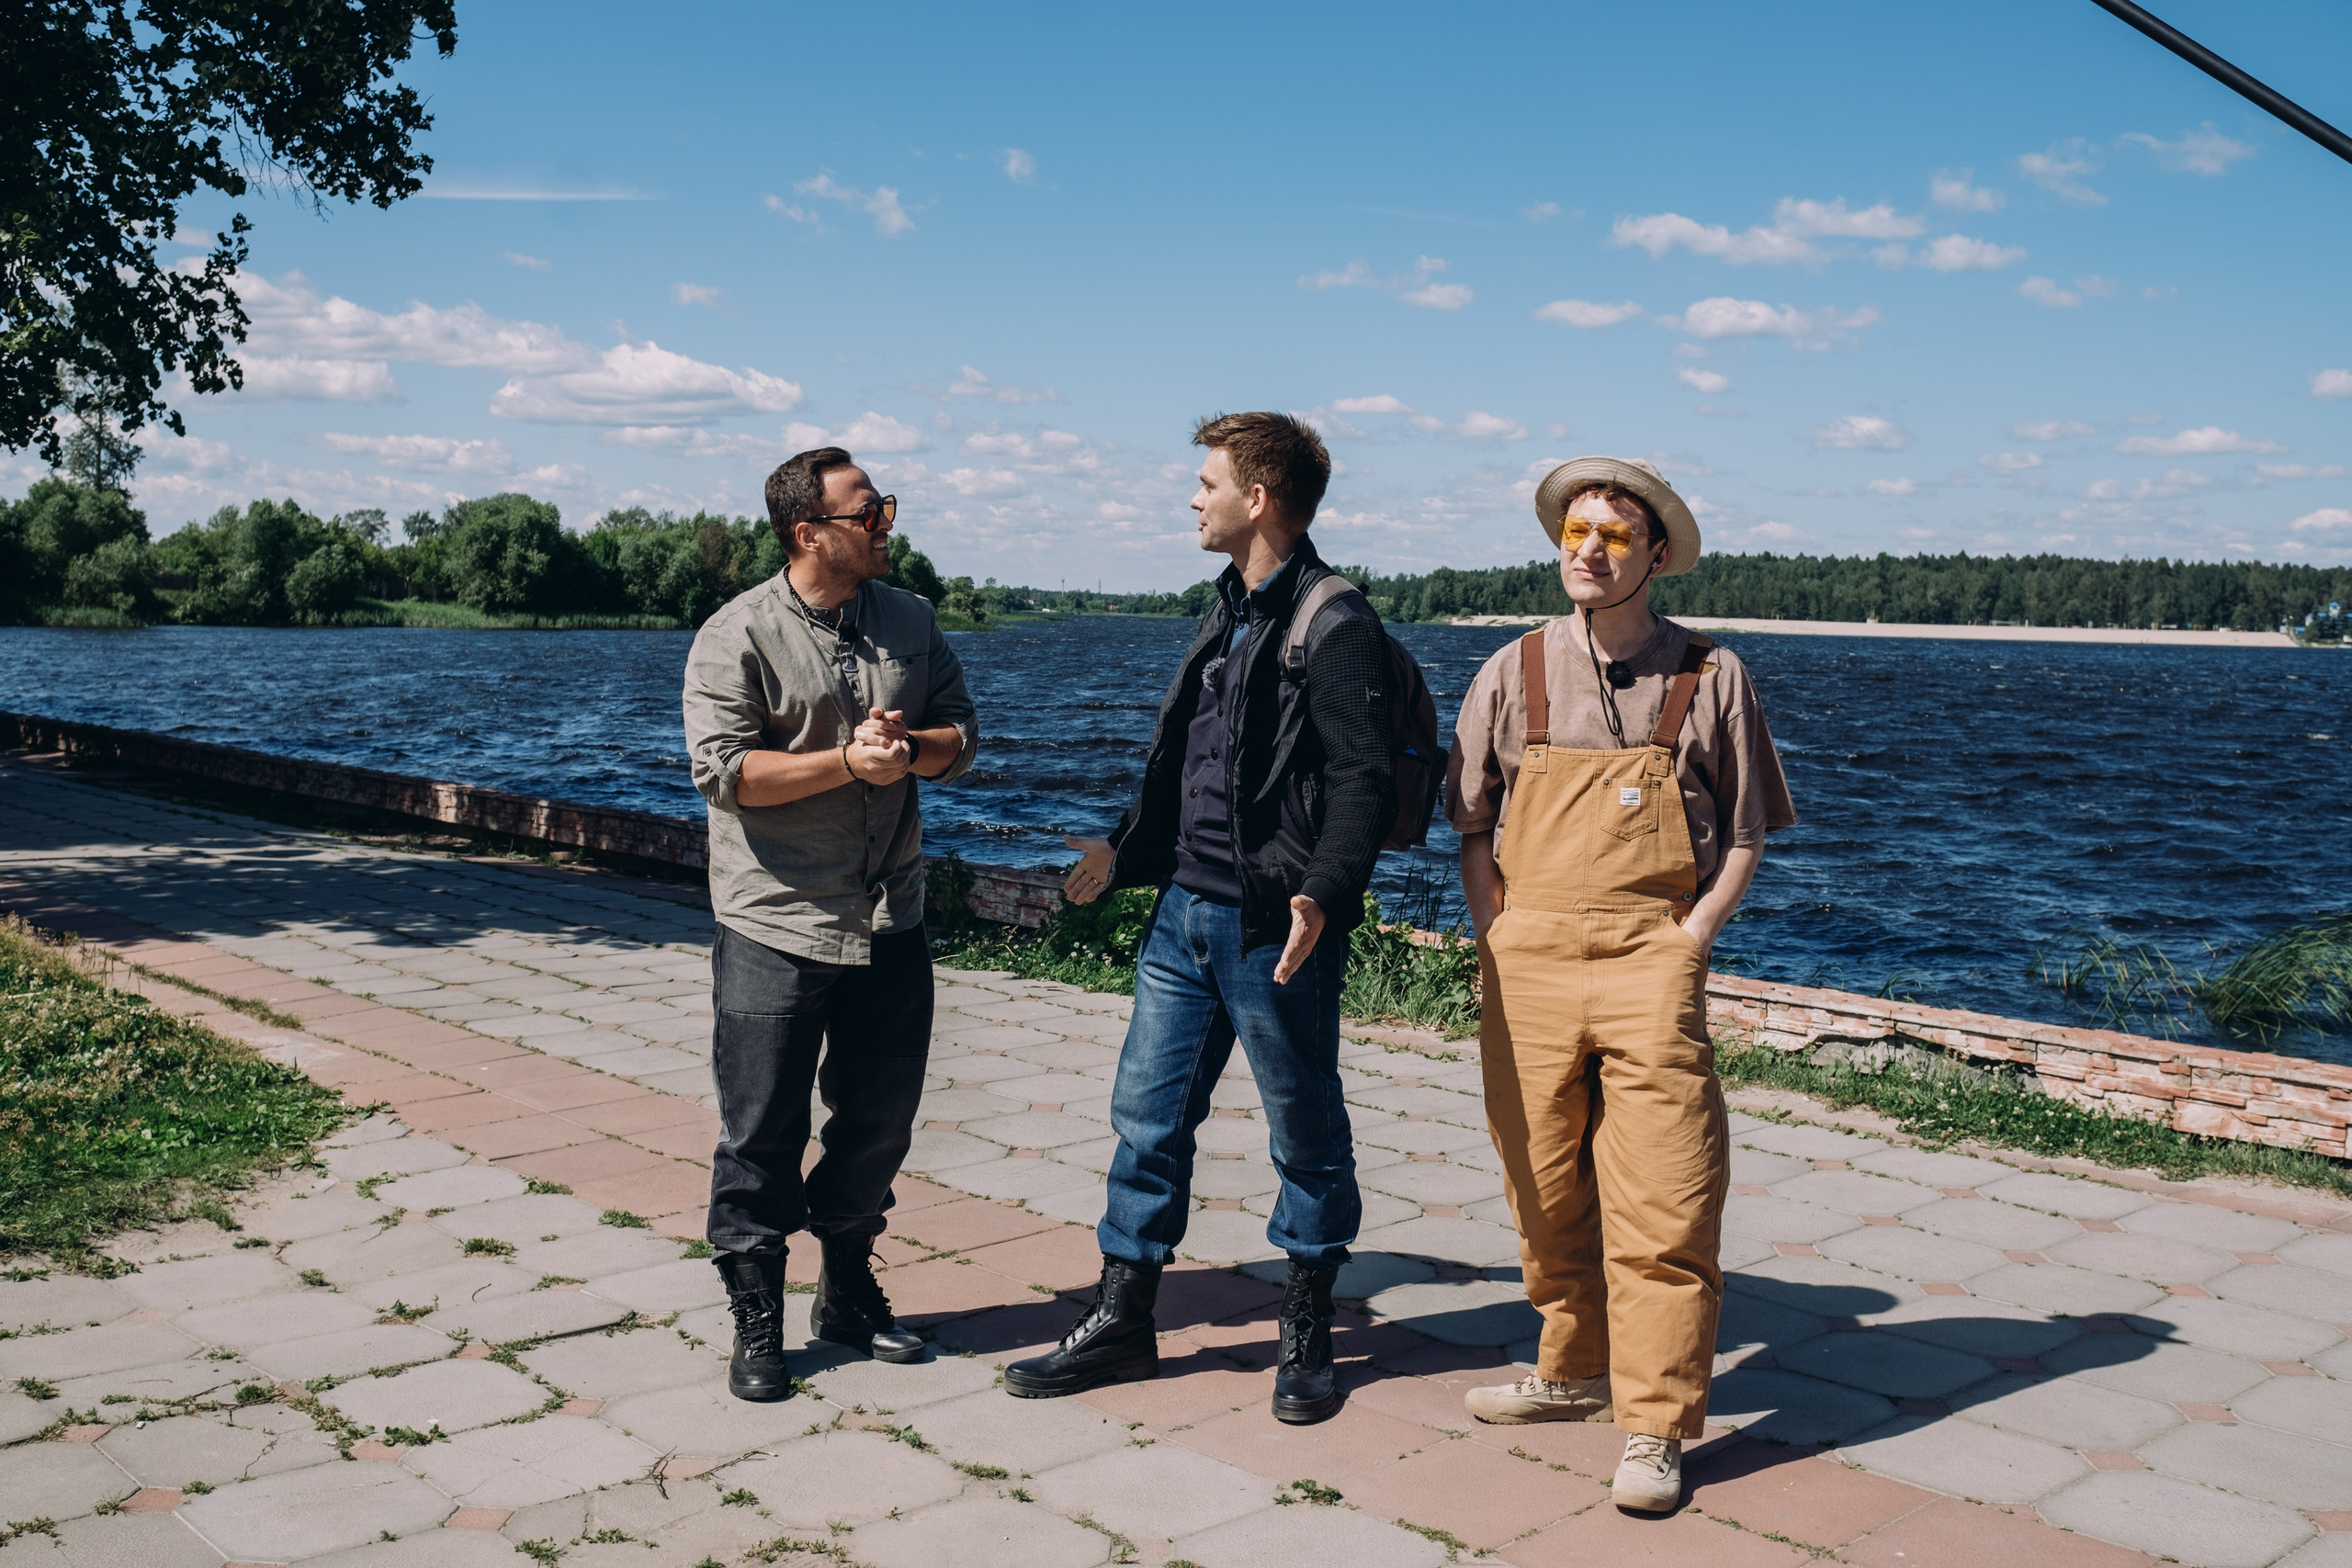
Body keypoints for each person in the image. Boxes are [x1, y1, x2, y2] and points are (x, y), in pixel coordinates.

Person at [1011, 412, 1396, 1425]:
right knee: (1146, 1122)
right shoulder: (1224, 608)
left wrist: (1324, 893)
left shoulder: (1335, 622)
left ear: (1256, 500)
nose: (1193, 497)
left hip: (1274, 929)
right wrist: (1122, 851)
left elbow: (1362, 781)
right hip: (1183, 918)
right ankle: (1122, 1320)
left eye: (1207, 481)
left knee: (1303, 1131)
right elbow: (1190, 761)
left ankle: (1305, 1332)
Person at [1447, 457, 1796, 1511]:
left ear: (1654, 557)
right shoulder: (1511, 670)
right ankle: (1571, 1372)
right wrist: (1496, 931)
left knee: (1666, 1198)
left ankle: (1653, 1428)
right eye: (1575, 533)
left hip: (1652, 957)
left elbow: (1742, 834)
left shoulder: (1711, 674)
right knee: (1542, 1186)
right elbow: (1469, 822)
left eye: (1611, 536)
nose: (1587, 551)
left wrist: (1690, 937)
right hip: (1529, 960)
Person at [682, 446, 978, 1402]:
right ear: (811, 532)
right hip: (776, 917)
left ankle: (845, 1290)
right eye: (871, 511)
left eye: (886, 505)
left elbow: (962, 740)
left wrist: (908, 749)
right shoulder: (736, 634)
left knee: (879, 1120)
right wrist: (845, 764)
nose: (889, 522)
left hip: (890, 912)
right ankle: (756, 1313)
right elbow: (726, 774)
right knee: (761, 1128)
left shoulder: (912, 620)